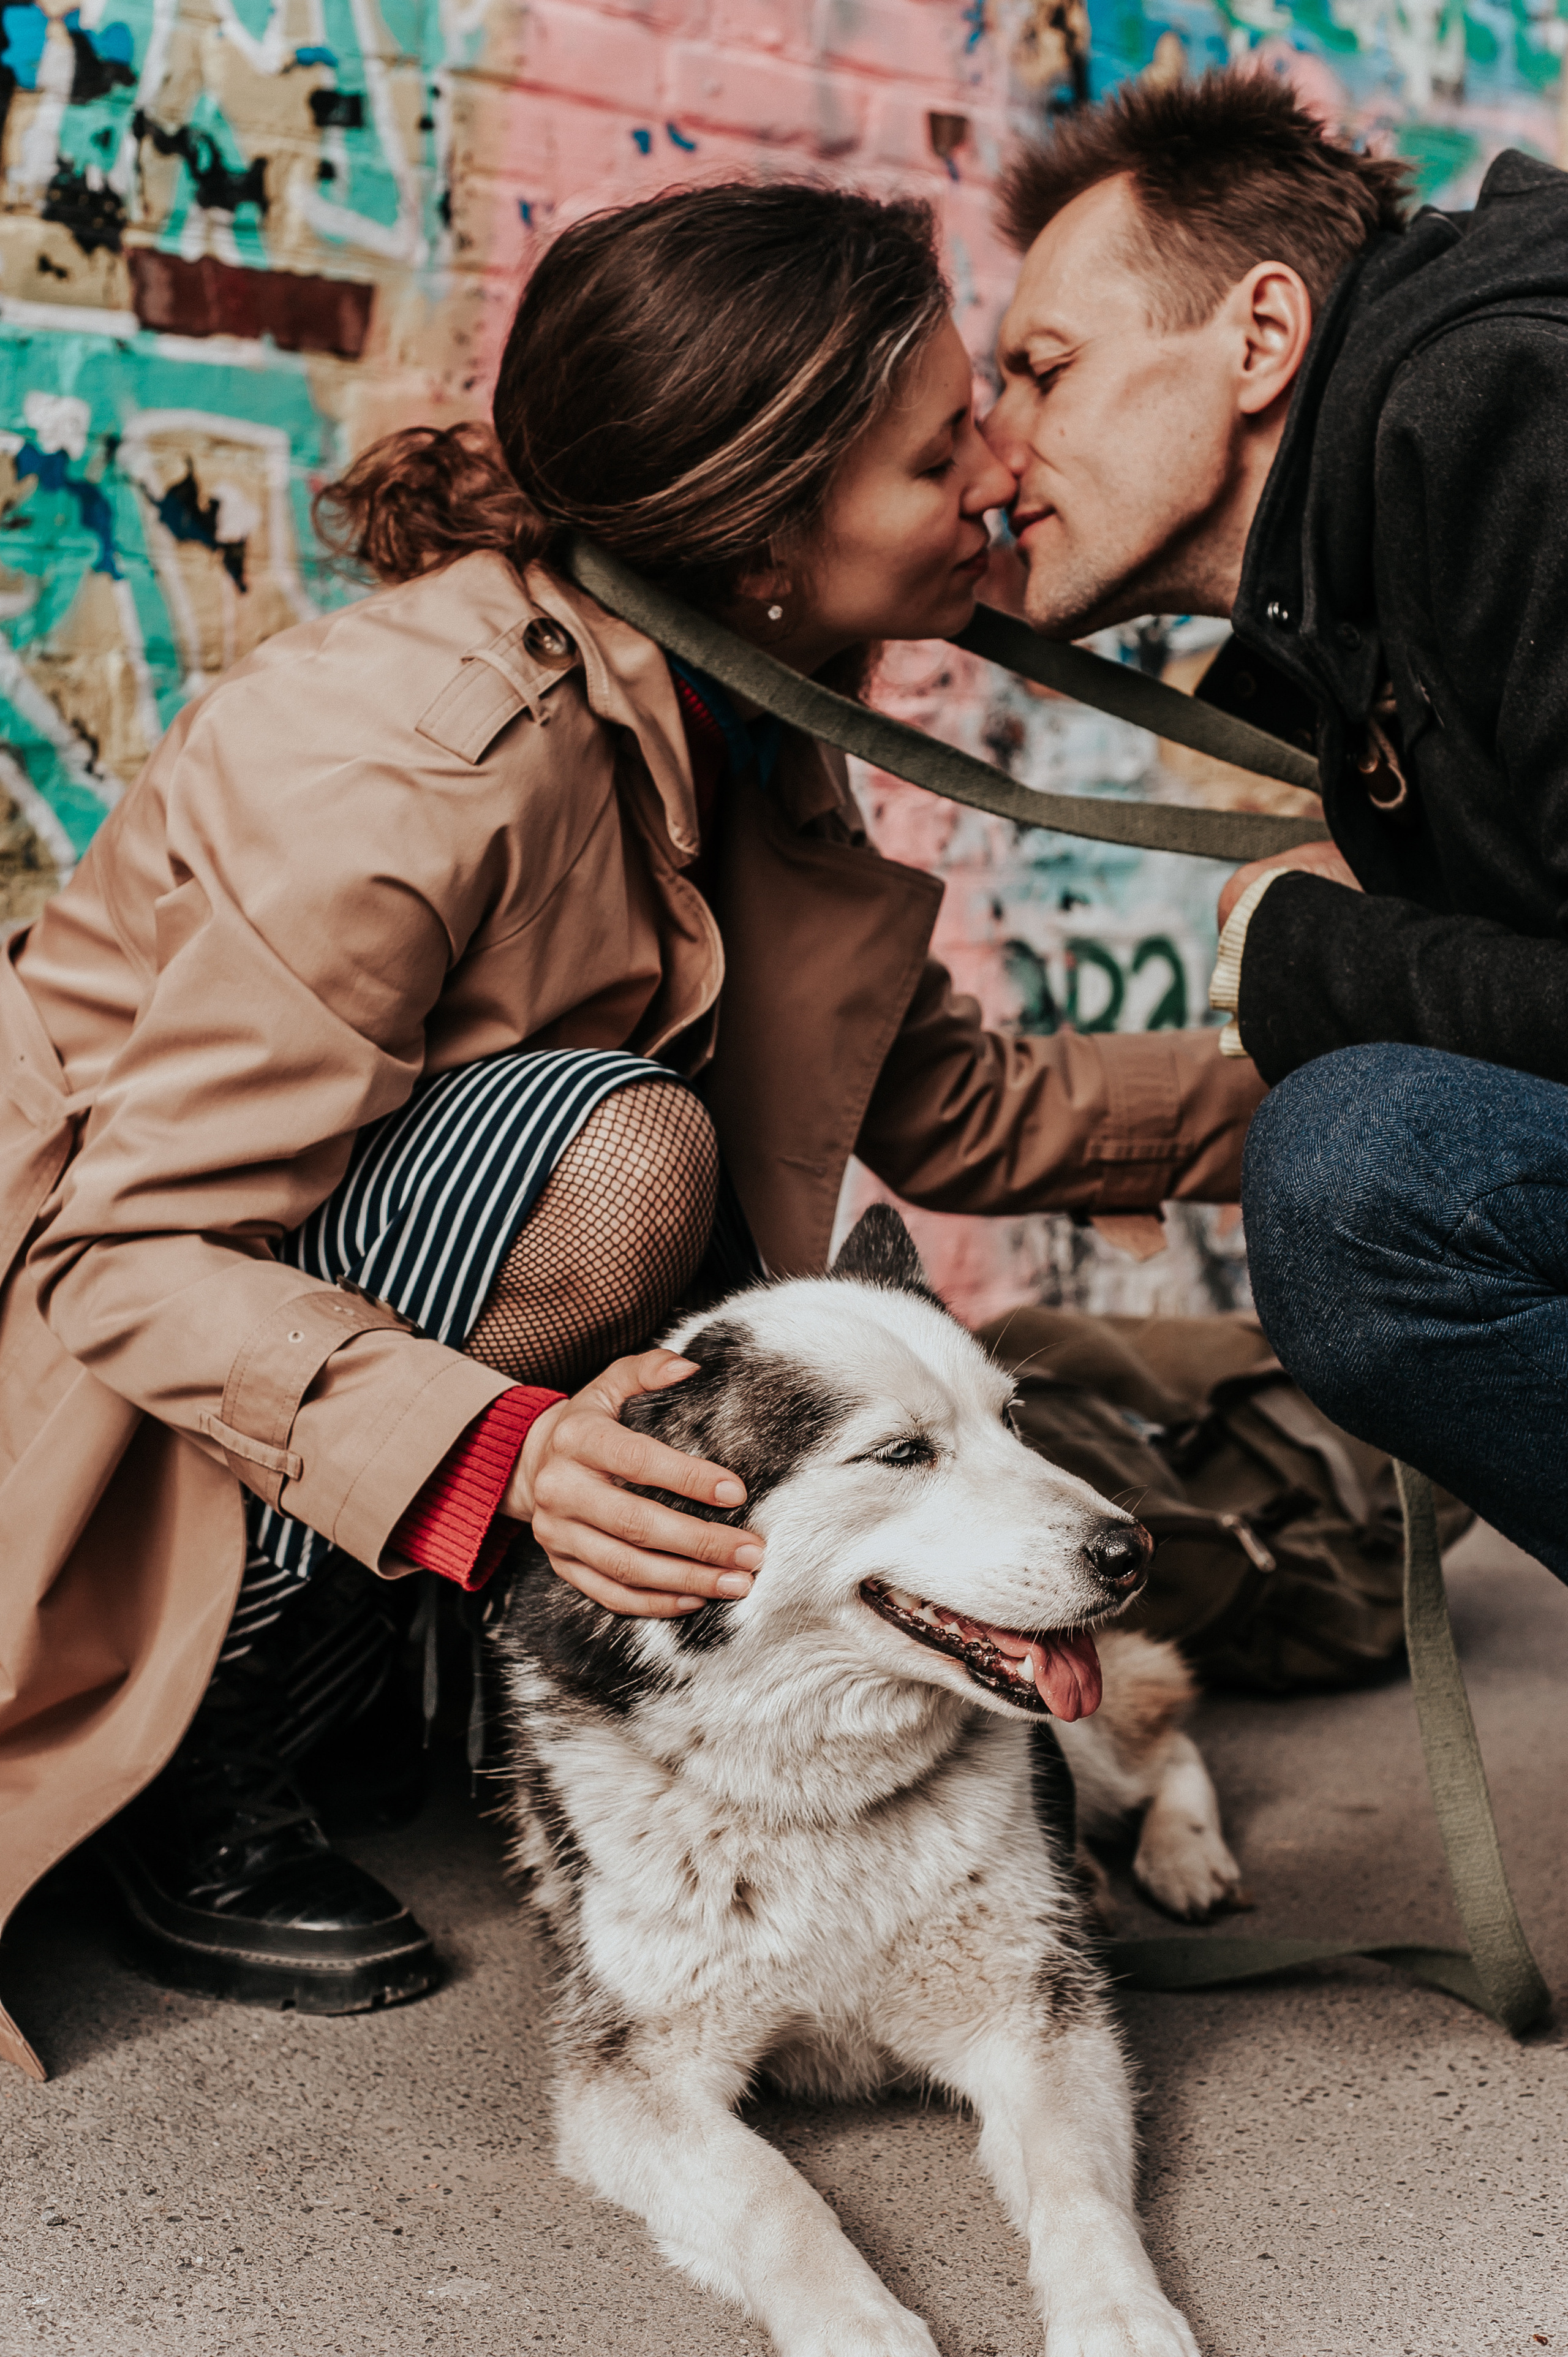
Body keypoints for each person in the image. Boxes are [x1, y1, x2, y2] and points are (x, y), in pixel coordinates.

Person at [0, 180, 1263, 2071]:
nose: (1006, 464)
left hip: (296, 1344)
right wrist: (494, 1453)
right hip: (92, 1377)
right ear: (765, 535)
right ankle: (215, 1743)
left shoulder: (740, 710)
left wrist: (1356, 1080)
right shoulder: (415, 755)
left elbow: (953, 1106)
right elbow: (128, 1250)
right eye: (944, 450)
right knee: (623, 1150)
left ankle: (360, 1672)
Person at [982, 71, 1568, 1590]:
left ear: (1256, 336)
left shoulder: (1507, 411)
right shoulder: (1377, 521)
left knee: (1364, 1169)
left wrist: (1307, 955)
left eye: (1042, 370)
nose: (997, 451)